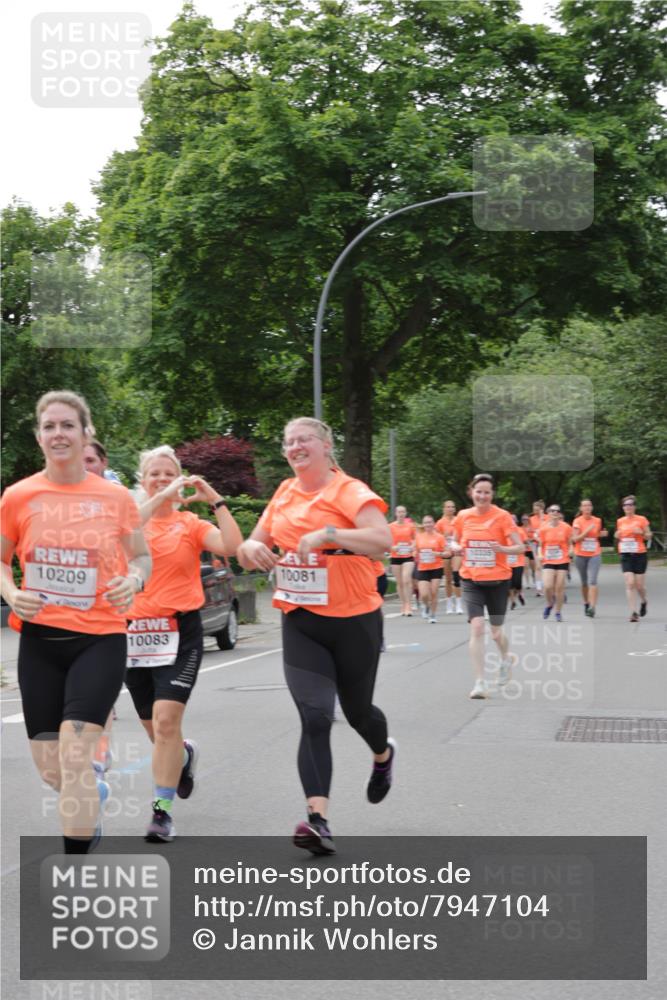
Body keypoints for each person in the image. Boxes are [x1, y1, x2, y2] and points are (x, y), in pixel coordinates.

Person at [0, 391, 151, 854]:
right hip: (40, 643)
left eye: (68, 425)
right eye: (50, 426)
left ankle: (75, 868)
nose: (59, 434)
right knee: (52, 769)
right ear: (39, 437)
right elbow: (2, 563)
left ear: (86, 434)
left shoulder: (113, 497)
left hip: (99, 639)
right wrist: (10, 592)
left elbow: (141, 556)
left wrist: (133, 580)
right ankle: (87, 811)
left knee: (74, 753)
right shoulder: (19, 496)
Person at [237, 417, 394, 856]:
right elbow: (253, 545)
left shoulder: (350, 491)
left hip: (355, 619)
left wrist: (328, 534)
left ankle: (383, 756)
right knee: (315, 716)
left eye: (304, 439)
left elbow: (383, 541)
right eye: (288, 442)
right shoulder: (285, 493)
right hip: (302, 618)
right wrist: (250, 549)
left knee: (359, 712)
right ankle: (318, 820)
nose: (295, 446)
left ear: (326, 445)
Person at [124, 445, 243, 842]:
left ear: (180, 479)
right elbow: (120, 530)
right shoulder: (130, 519)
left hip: (179, 632)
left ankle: (162, 813)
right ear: (143, 481)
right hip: (134, 635)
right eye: (154, 474)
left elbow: (231, 545)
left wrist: (215, 499)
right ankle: (184, 755)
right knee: (156, 732)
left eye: (168, 473)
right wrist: (157, 497)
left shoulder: (189, 524)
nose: (161, 479)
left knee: (165, 720)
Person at [449, 474, 524, 699]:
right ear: (471, 492)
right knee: (477, 627)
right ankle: (480, 683)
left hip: (498, 580)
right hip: (471, 579)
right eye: (478, 491)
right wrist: (456, 547)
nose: (482, 496)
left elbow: (520, 547)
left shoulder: (501, 517)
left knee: (496, 631)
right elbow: (453, 540)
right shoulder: (463, 516)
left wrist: (501, 549)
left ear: (492, 495)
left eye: (487, 492)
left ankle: (505, 659)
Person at [614, 495, 651, 622]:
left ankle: (644, 601)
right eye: (625, 505)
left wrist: (641, 532)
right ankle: (633, 612)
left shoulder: (642, 519)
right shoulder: (620, 521)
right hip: (625, 554)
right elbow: (618, 535)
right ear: (623, 507)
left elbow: (649, 536)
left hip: (640, 554)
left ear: (634, 507)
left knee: (639, 585)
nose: (628, 507)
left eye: (630, 504)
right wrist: (616, 534)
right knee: (630, 583)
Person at [571, 499, 608, 617]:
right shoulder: (577, 521)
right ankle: (586, 603)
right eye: (584, 506)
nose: (587, 508)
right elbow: (575, 539)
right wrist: (587, 531)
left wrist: (602, 534)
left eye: (589, 506)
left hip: (594, 554)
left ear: (592, 508)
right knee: (584, 582)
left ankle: (592, 607)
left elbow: (596, 534)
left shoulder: (597, 520)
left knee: (593, 581)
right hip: (580, 555)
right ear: (581, 508)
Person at [536, 505, 573, 622]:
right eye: (552, 510)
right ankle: (549, 604)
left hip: (562, 559)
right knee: (547, 586)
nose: (555, 512)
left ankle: (558, 611)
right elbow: (540, 545)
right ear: (548, 513)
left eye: (557, 510)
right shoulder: (543, 528)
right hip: (548, 559)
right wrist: (540, 554)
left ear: (559, 513)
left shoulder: (566, 527)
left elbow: (571, 543)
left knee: (559, 587)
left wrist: (571, 550)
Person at [414, 515, 447, 623]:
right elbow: (415, 550)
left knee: (433, 592)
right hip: (423, 567)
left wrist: (438, 553)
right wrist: (415, 554)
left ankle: (433, 615)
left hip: (436, 567)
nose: (428, 524)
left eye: (430, 522)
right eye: (426, 522)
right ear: (423, 524)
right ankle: (426, 606)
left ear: (433, 523)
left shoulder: (440, 537)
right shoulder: (419, 536)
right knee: (424, 594)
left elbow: (447, 552)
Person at [436, 500, 464, 614]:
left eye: (452, 507)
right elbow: (437, 538)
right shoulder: (440, 523)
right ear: (444, 509)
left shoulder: (459, 520)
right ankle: (449, 602)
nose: (450, 509)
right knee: (448, 579)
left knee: (456, 576)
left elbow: (463, 535)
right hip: (446, 552)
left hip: (456, 551)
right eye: (448, 507)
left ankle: (458, 603)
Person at [388, 505, 416, 615]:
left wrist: (412, 546)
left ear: (405, 513)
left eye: (403, 512)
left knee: (406, 579)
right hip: (395, 556)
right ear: (395, 513)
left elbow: (415, 539)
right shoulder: (390, 526)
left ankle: (408, 605)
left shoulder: (411, 526)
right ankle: (403, 604)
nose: (401, 514)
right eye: (399, 512)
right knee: (399, 582)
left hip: (408, 556)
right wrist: (392, 547)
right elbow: (387, 540)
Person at [508, 514, 527, 610]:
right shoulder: (505, 531)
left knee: (517, 583)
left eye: (514, 519)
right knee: (510, 584)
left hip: (519, 561)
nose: (512, 521)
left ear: (516, 521)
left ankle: (520, 593)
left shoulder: (520, 531)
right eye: (510, 519)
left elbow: (524, 544)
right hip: (508, 562)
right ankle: (513, 601)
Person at [529, 500, 546, 596]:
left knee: (546, 566)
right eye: (534, 509)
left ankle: (547, 585)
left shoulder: (548, 518)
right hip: (535, 544)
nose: (535, 511)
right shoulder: (531, 519)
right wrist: (535, 537)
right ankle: (539, 588)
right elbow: (530, 532)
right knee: (538, 566)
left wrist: (543, 517)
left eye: (537, 510)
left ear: (541, 509)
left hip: (547, 545)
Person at [520, 514, 537, 589]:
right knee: (526, 566)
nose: (525, 521)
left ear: (528, 520)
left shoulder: (532, 528)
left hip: (532, 549)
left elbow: (536, 537)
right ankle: (527, 583)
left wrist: (531, 539)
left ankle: (533, 574)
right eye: (523, 519)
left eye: (526, 519)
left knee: (533, 566)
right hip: (524, 549)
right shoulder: (520, 529)